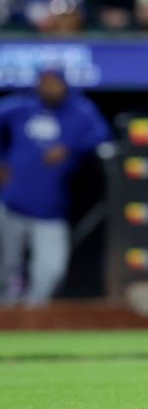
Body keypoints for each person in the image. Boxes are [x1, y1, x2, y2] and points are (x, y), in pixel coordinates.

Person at [0, 67, 110, 307]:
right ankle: (6, 314)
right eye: (44, 82)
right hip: (11, 203)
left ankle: (33, 314)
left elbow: (102, 137)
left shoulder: (80, 111)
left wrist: (70, 147)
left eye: (54, 83)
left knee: (52, 269)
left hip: (51, 209)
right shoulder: (22, 107)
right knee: (7, 266)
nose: (49, 88)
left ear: (65, 85)